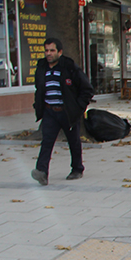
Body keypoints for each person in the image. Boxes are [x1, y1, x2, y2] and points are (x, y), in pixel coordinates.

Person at [31, 37, 93, 186]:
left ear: (59, 51)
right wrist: (38, 105)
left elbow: (86, 89)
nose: (48, 54)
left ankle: (77, 169)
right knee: (47, 142)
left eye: (52, 50)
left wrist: (78, 108)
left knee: (73, 141)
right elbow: (38, 89)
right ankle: (42, 172)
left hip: (67, 112)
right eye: (46, 50)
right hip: (50, 112)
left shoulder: (69, 67)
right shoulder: (41, 67)